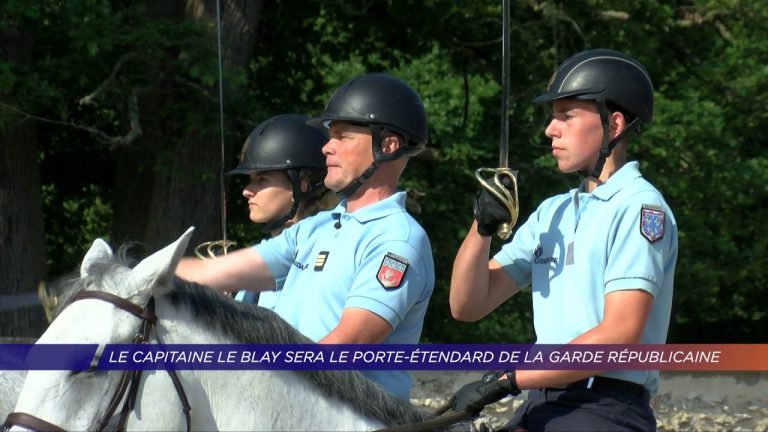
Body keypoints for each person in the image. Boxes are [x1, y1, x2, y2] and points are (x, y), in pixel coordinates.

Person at [449, 49, 678, 431]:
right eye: (553, 117)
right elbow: (467, 304)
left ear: (614, 124)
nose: (550, 130)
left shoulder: (639, 207)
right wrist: (482, 228)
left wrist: (511, 377)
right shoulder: (552, 212)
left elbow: (619, 334)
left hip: (603, 407)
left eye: (566, 116)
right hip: (542, 402)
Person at [177, 73, 435, 400]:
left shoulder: (397, 240)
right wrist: (129, 278)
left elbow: (346, 347)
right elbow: (215, 272)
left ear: (388, 145)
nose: (326, 146)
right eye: (329, 136)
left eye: (341, 136)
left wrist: (247, 381)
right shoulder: (315, 229)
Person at [226, 113, 336, 308]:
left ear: (302, 184)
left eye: (262, 180)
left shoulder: (321, 258)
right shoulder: (268, 252)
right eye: (250, 180)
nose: (246, 191)